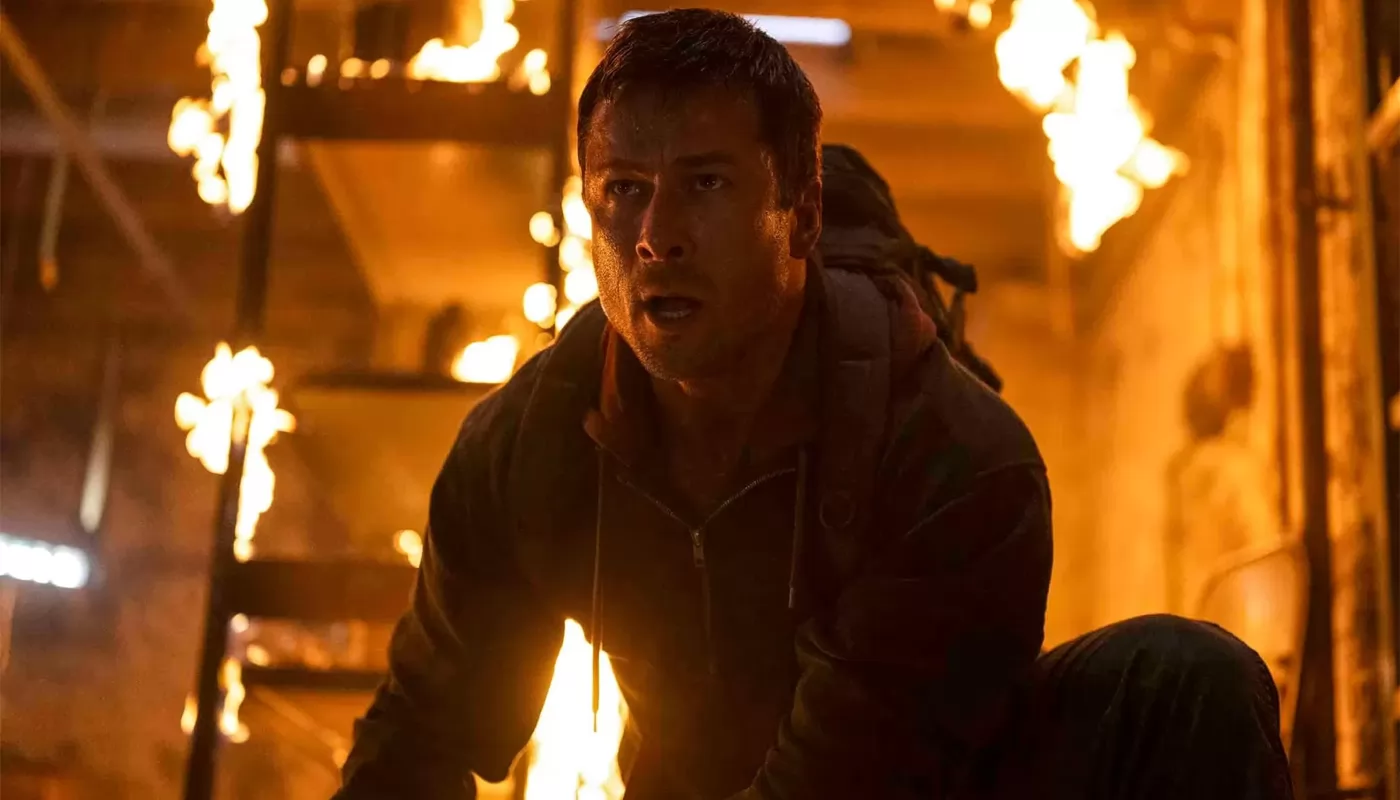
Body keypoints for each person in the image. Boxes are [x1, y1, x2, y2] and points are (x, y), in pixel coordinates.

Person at [336, 10, 1294, 799]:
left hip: (935, 786)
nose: (656, 236)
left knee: (1183, 681)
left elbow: (854, 776)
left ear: (800, 214)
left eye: (706, 183)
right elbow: (418, 734)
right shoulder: (528, 443)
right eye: (623, 189)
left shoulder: (953, 455)